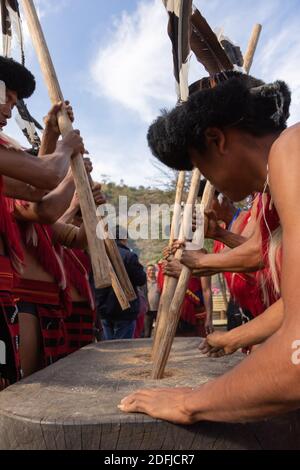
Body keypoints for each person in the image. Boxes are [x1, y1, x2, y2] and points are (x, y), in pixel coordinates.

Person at [119, 71, 300, 424]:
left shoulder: (289, 151)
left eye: (201, 167)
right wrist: (234, 337)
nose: (208, 181)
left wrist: (192, 403)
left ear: (216, 139)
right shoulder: (273, 190)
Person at [0, 57, 83, 390]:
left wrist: (50, 136)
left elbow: (35, 186)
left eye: (15, 99)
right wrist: (67, 151)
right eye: (6, 94)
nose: (11, 105)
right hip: (23, 295)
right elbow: (45, 186)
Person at [96, 226, 146, 340]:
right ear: (125, 238)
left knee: (107, 346)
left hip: (104, 308)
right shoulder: (129, 256)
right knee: (122, 348)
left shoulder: (99, 256)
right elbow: (141, 279)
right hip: (125, 310)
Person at [144, 264, 160, 338]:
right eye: (150, 270)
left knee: (159, 332)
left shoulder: (159, 282)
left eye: (153, 270)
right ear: (147, 271)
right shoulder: (144, 283)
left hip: (159, 310)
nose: (151, 271)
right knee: (147, 333)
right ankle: (146, 348)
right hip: (148, 311)